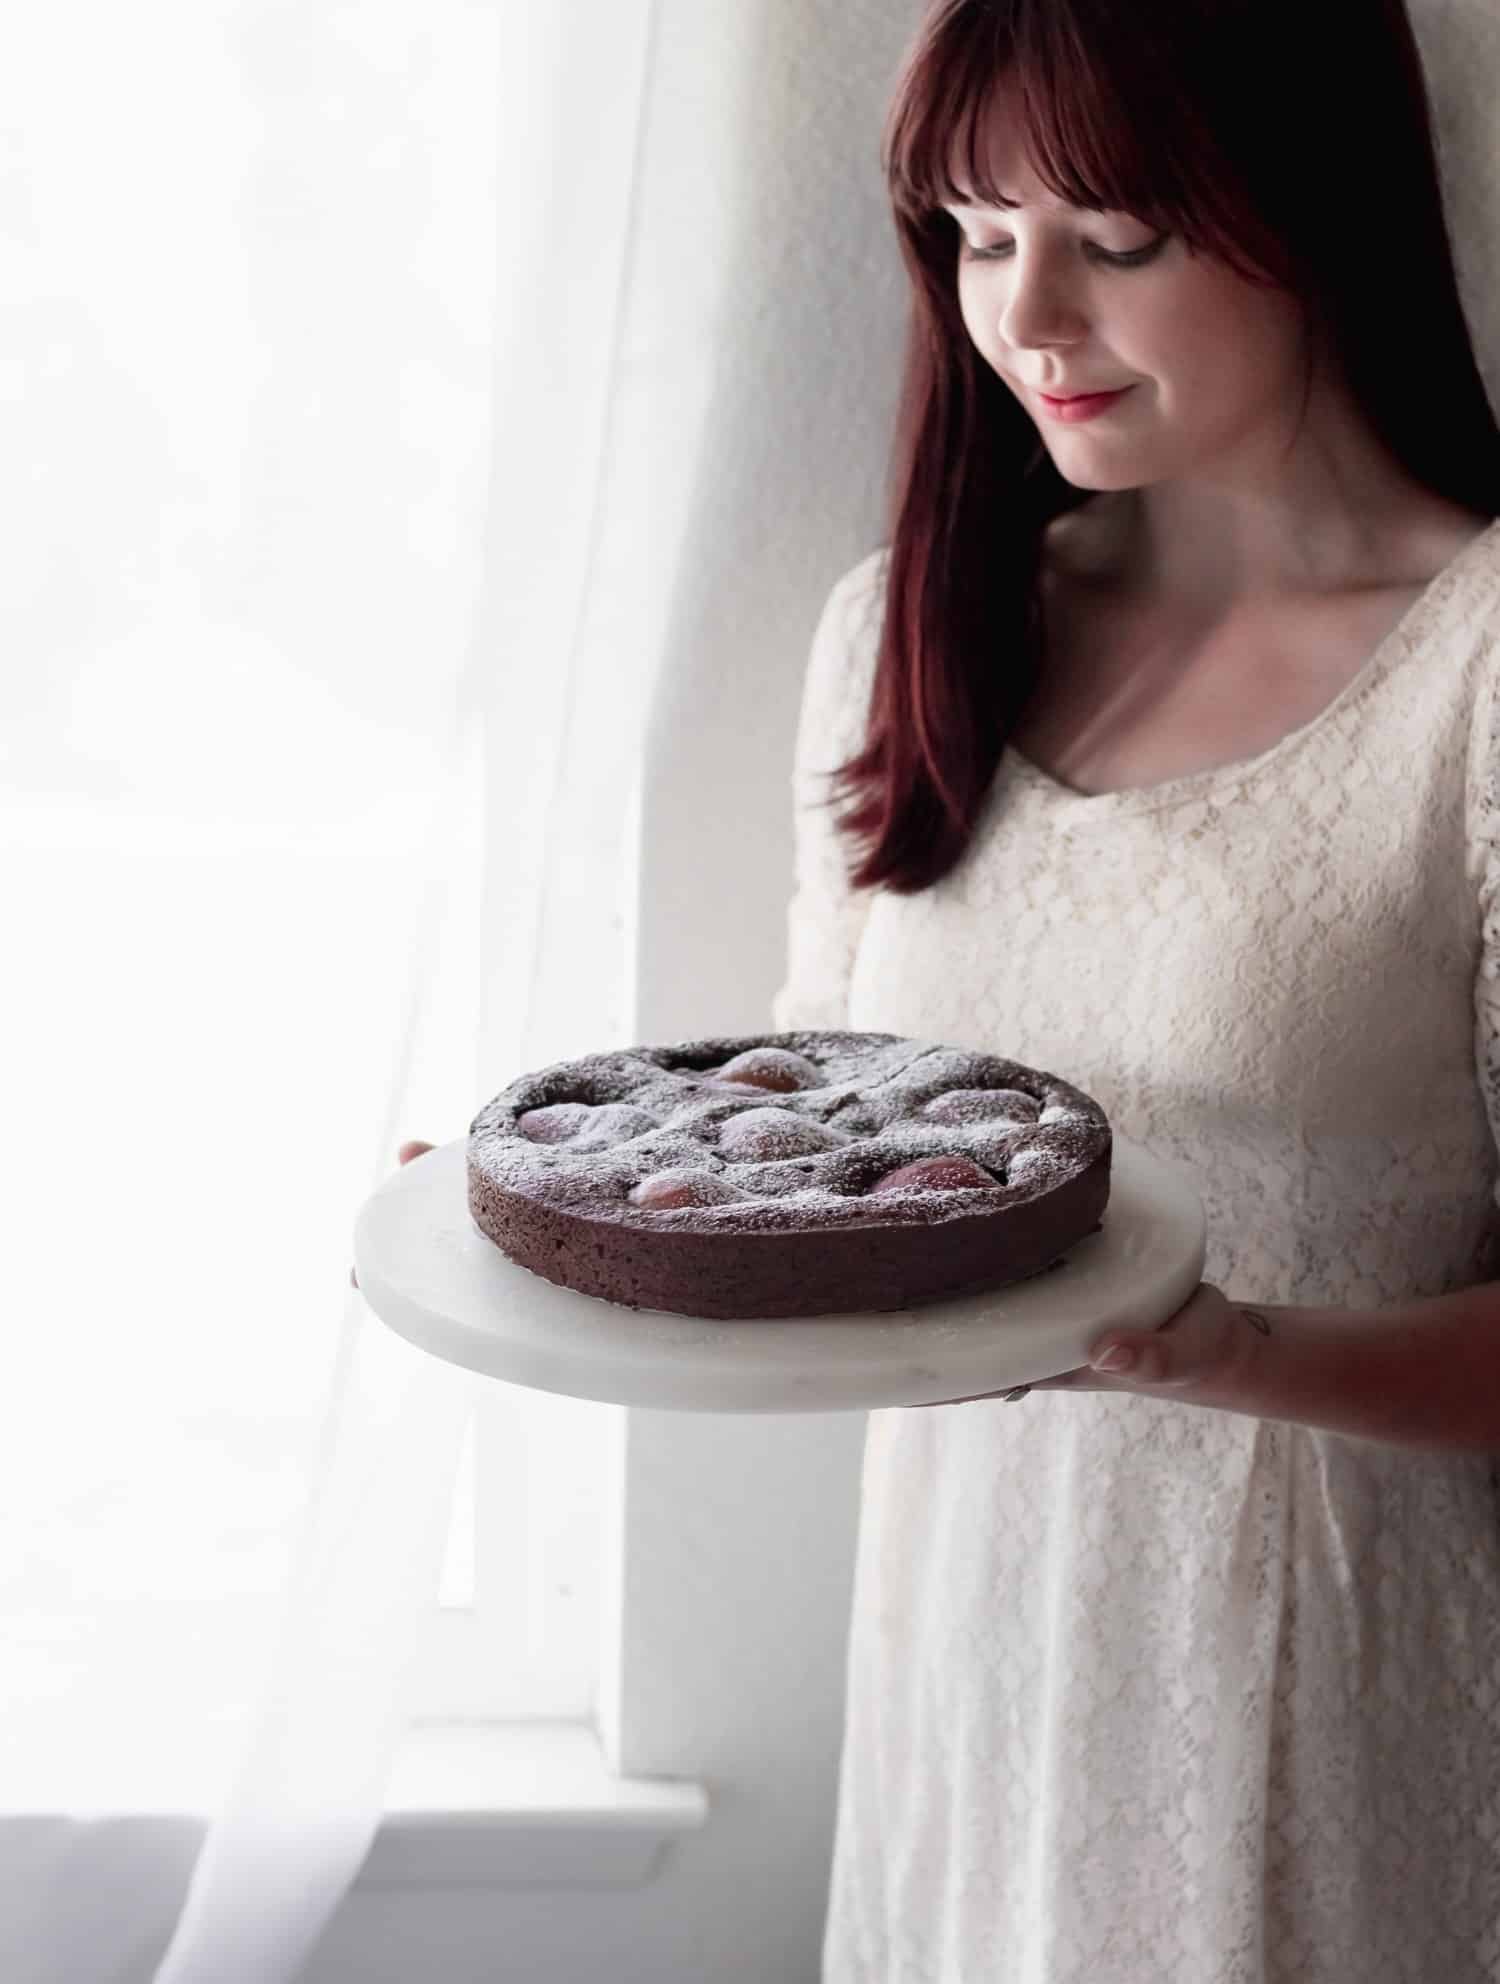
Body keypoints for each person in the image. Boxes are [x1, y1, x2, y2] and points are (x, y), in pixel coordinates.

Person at [770, 0, 1500, 1978]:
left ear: (1311, 210)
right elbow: (815, 1150)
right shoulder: (909, 632)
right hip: (969, 1682)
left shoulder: (1479, 670)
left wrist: (1236, 1352)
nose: (1032, 320)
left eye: (1117, 236)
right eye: (974, 231)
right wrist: (580, 1234)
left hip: (1329, 1703)